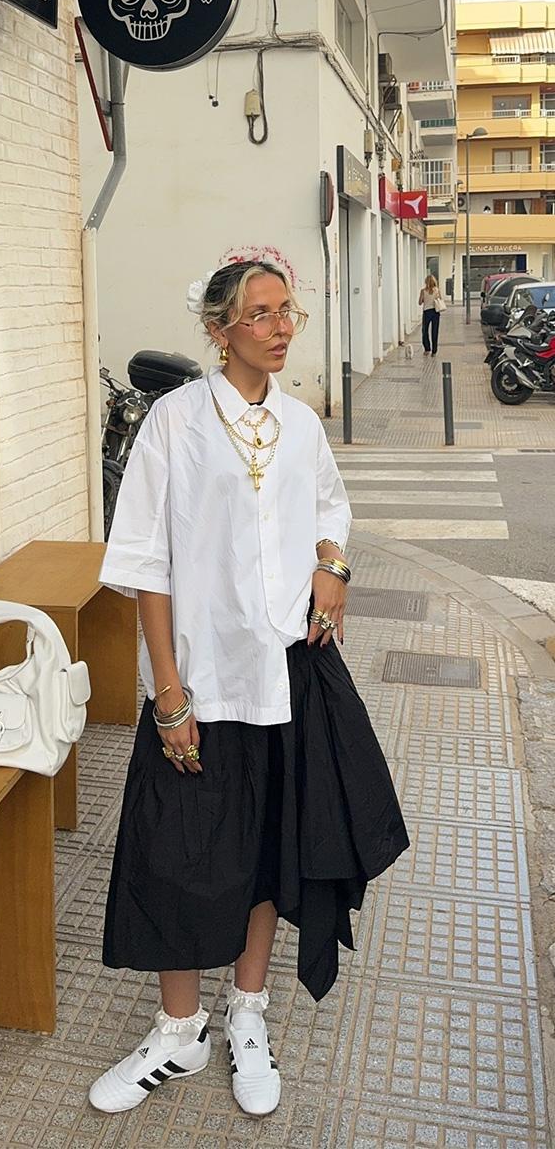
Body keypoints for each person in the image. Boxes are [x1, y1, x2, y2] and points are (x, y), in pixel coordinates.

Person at [89, 259, 409, 1119]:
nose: (280, 327)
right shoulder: (176, 423)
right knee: (175, 852)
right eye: (260, 314)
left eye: (286, 312)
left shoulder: (301, 425)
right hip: (201, 680)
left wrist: (333, 567)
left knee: (271, 847)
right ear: (220, 329)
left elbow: (330, 510)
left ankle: (248, 1014)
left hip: (286, 678)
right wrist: (167, 692)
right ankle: (178, 1029)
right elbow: (148, 562)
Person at [418, 274, 443, 355]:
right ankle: (434, 350)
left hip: (427, 312)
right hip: (436, 312)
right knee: (435, 331)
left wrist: (425, 299)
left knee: (425, 330)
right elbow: (440, 300)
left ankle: (427, 348)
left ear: (426, 282)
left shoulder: (423, 291)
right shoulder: (437, 290)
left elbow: (420, 302)